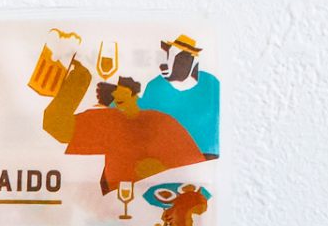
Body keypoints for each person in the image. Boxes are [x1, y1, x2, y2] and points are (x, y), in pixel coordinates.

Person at [42, 75, 206, 194]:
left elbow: (198, 181)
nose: (115, 95)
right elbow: (55, 125)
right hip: (113, 211)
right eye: (114, 91)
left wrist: (161, 170)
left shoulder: (163, 123)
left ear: (135, 95)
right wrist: (79, 77)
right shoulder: (110, 122)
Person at [137, 34, 219, 159]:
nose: (165, 65)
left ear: (191, 61)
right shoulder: (154, 86)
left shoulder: (211, 84)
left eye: (179, 60)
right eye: (168, 57)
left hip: (204, 159)